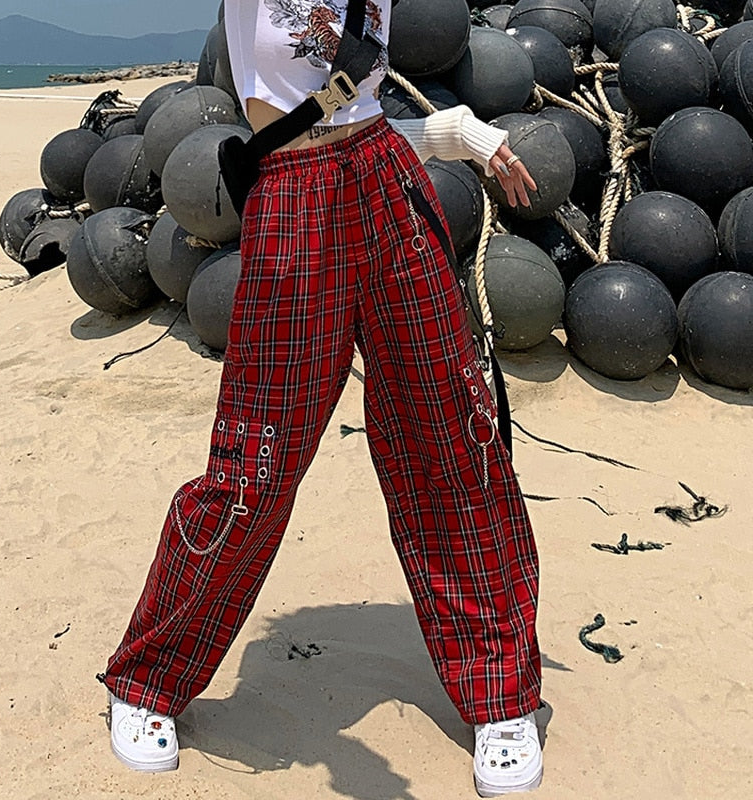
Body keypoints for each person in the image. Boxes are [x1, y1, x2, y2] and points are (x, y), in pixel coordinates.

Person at [100, 1, 544, 795]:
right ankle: (149, 677)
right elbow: (291, 128)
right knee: (255, 463)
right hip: (292, 203)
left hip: (385, 182)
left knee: (453, 432)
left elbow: (351, 112)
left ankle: (500, 692)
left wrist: (452, 135)